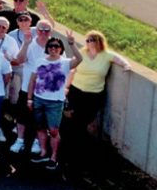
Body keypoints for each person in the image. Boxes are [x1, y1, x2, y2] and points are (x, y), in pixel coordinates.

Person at [27, 30, 82, 170]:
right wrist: (29, 98)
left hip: (55, 103)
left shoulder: (65, 62)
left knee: (53, 131)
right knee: (39, 127)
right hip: (39, 99)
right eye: (51, 46)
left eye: (56, 46)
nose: (53, 48)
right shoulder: (40, 61)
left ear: (61, 49)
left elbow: (80, 59)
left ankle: (54, 157)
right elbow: (33, 80)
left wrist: (72, 43)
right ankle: (44, 152)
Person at [66, 30, 131, 141]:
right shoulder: (81, 53)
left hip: (94, 94)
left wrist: (126, 65)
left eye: (92, 40)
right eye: (87, 40)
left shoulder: (106, 55)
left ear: (99, 41)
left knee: (86, 118)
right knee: (73, 117)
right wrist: (66, 87)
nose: (89, 42)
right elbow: (71, 69)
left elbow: (120, 59)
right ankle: (71, 140)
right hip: (76, 90)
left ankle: (77, 139)